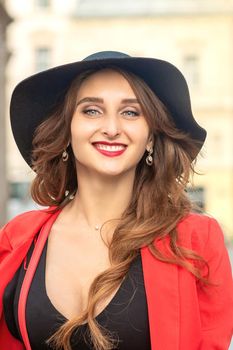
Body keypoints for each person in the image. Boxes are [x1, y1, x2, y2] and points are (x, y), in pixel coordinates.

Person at [0, 51, 232, 350]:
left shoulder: (196, 241)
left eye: (131, 112)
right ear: (67, 130)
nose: (111, 128)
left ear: (150, 137)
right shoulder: (18, 239)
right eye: (92, 111)